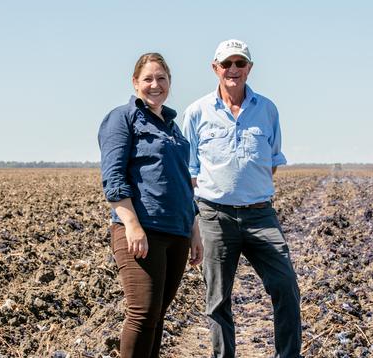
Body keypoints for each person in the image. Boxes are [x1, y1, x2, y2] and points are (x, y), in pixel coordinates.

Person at [181, 39, 302, 358]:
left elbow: (272, 161)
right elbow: (189, 170)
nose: (233, 69)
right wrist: (198, 218)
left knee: (286, 284)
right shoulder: (197, 112)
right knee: (217, 299)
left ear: (249, 68)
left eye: (240, 63)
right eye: (227, 64)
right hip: (214, 218)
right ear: (215, 68)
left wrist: (248, 192)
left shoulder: (267, 109)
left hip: (260, 215)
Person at [98, 52, 203, 358]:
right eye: (148, 79)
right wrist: (131, 224)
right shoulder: (122, 118)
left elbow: (183, 182)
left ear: (170, 82)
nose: (155, 85)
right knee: (142, 314)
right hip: (144, 230)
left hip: (178, 231)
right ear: (135, 83)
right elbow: (113, 176)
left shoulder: (172, 126)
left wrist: (194, 230)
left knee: (156, 317)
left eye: (161, 78)